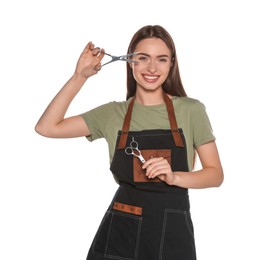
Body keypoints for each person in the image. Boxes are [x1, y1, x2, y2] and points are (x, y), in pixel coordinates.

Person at [35, 25, 223, 260]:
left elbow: (215, 175)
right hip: (121, 231)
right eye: (143, 58)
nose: (152, 68)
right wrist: (79, 77)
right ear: (130, 61)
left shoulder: (191, 110)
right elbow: (46, 127)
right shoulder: (112, 114)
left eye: (161, 59)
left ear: (171, 64)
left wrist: (175, 177)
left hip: (171, 233)